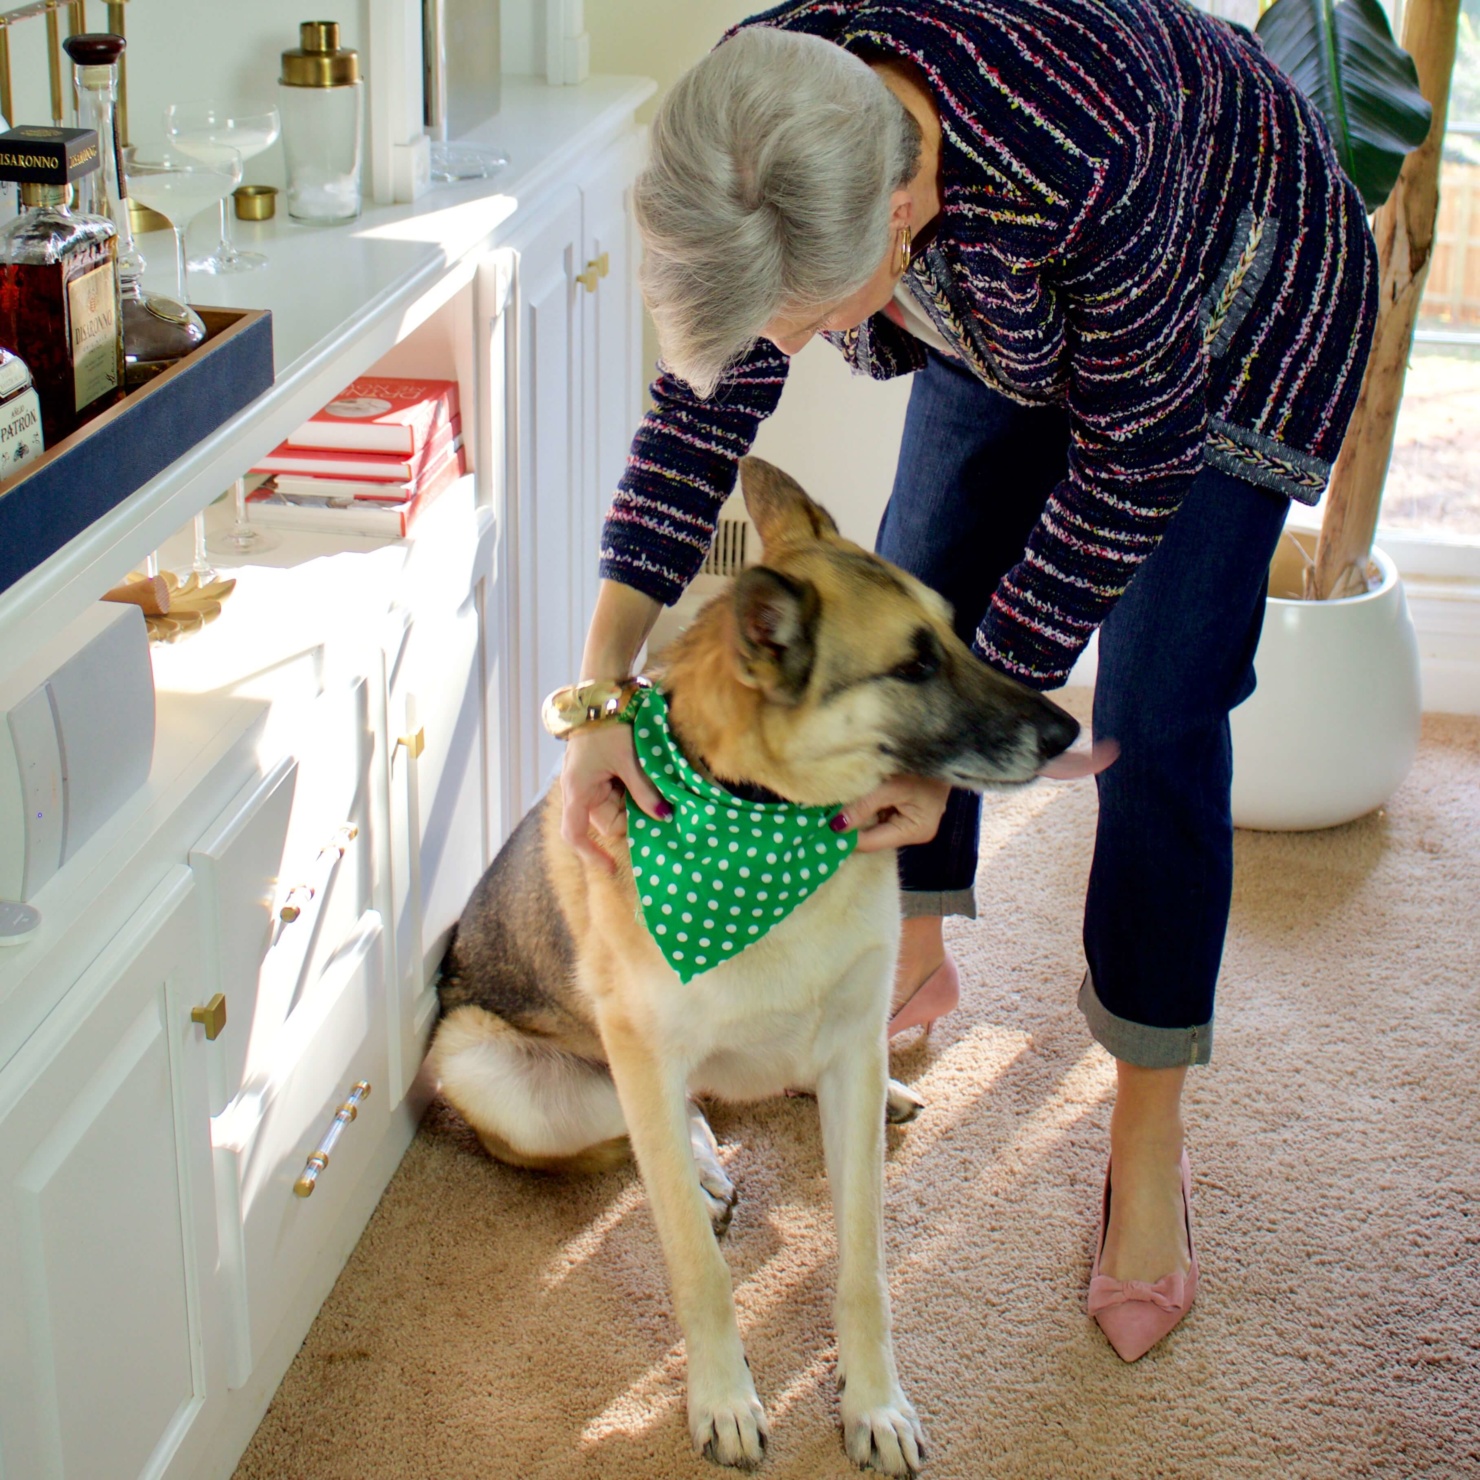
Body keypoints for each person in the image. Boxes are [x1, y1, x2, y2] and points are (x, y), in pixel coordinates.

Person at [560, 0, 1377, 1361]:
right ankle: (915, 956)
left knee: (1157, 708)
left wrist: (956, 741)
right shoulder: (771, 110)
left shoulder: (1086, 153)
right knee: (928, 551)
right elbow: (708, 395)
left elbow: (1135, 466)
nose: (810, 344)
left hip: (1237, 300)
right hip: (1026, 278)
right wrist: (597, 685)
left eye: (817, 321)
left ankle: (1148, 1132)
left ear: (897, 222)